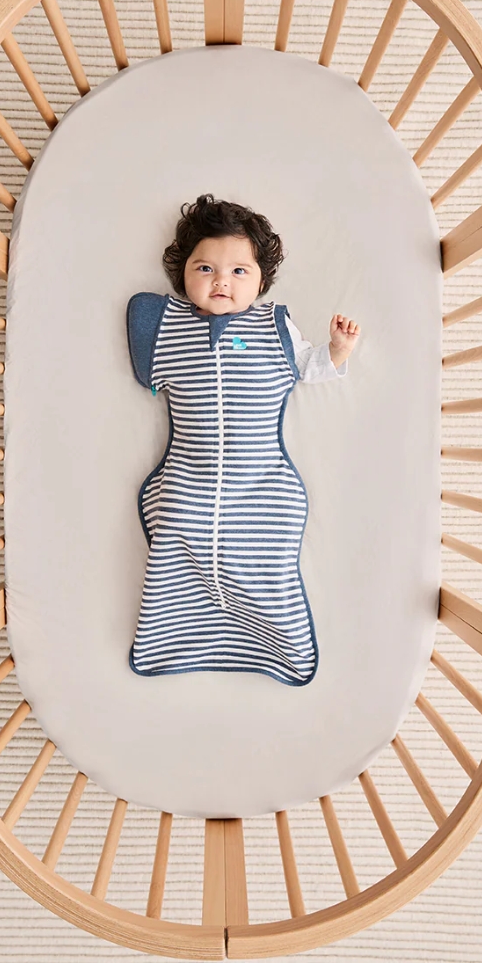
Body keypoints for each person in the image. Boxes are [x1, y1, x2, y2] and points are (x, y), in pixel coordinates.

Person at [125, 194, 360, 685]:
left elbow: (308, 367)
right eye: (205, 268)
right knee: (176, 531)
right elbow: (147, 372)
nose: (220, 282)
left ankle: (275, 642)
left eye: (238, 272)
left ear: (261, 281)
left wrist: (337, 350)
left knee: (262, 557)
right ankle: (171, 639)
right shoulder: (165, 325)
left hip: (261, 482)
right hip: (190, 476)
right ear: (182, 274)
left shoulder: (273, 326)